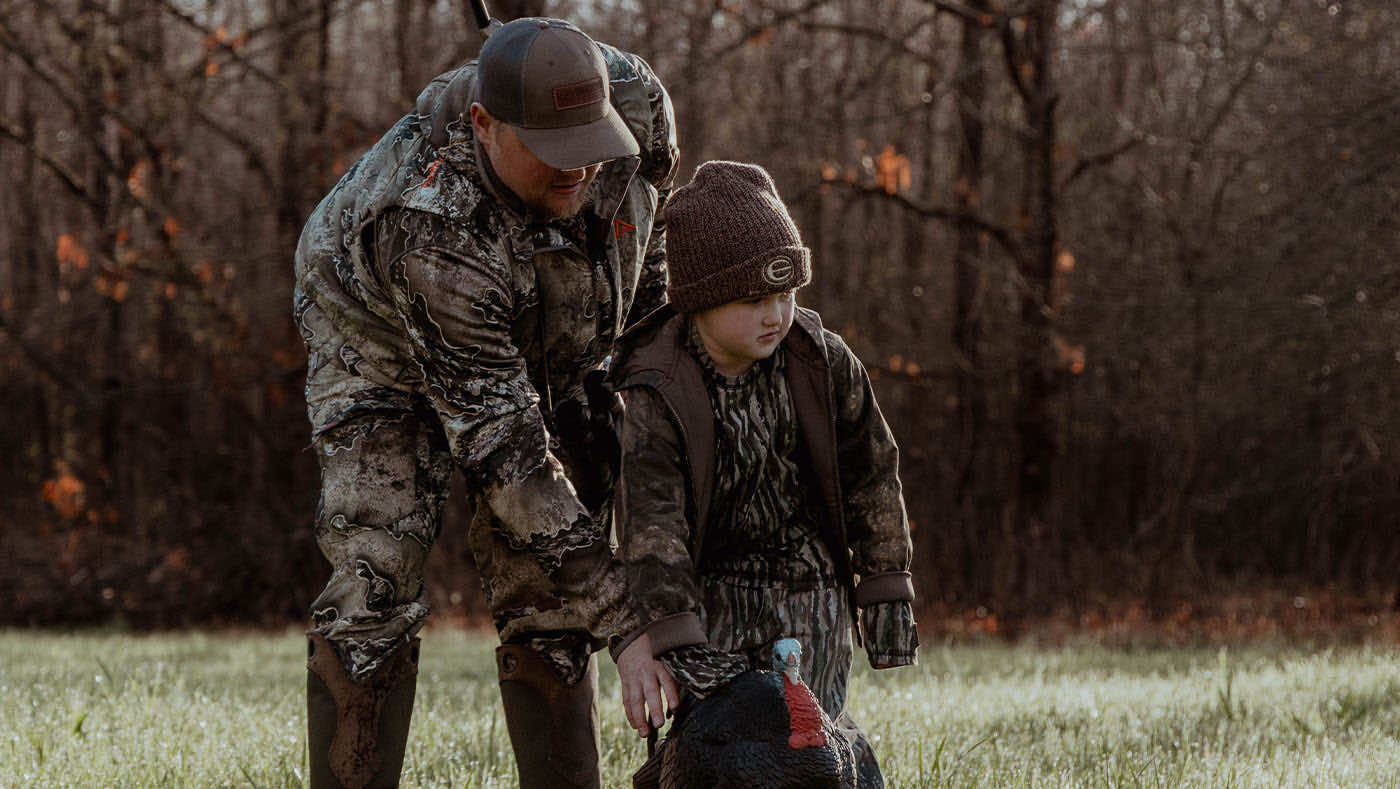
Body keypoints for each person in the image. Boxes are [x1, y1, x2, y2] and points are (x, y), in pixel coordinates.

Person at [292, 16, 677, 789]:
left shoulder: (637, 106)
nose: (578, 172)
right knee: (377, 565)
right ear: (482, 125)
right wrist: (629, 622)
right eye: (552, 154)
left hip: (552, 313)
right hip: (376, 341)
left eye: (588, 146)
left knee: (552, 587)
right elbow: (507, 455)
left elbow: (655, 239)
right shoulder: (429, 222)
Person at [609, 161, 920, 787]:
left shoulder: (822, 363)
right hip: (710, 595)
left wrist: (884, 583)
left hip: (811, 588)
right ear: (700, 299)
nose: (776, 314)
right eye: (754, 299)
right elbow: (652, 526)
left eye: (786, 294)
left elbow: (873, 476)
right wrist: (674, 633)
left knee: (810, 745)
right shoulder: (656, 386)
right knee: (717, 748)